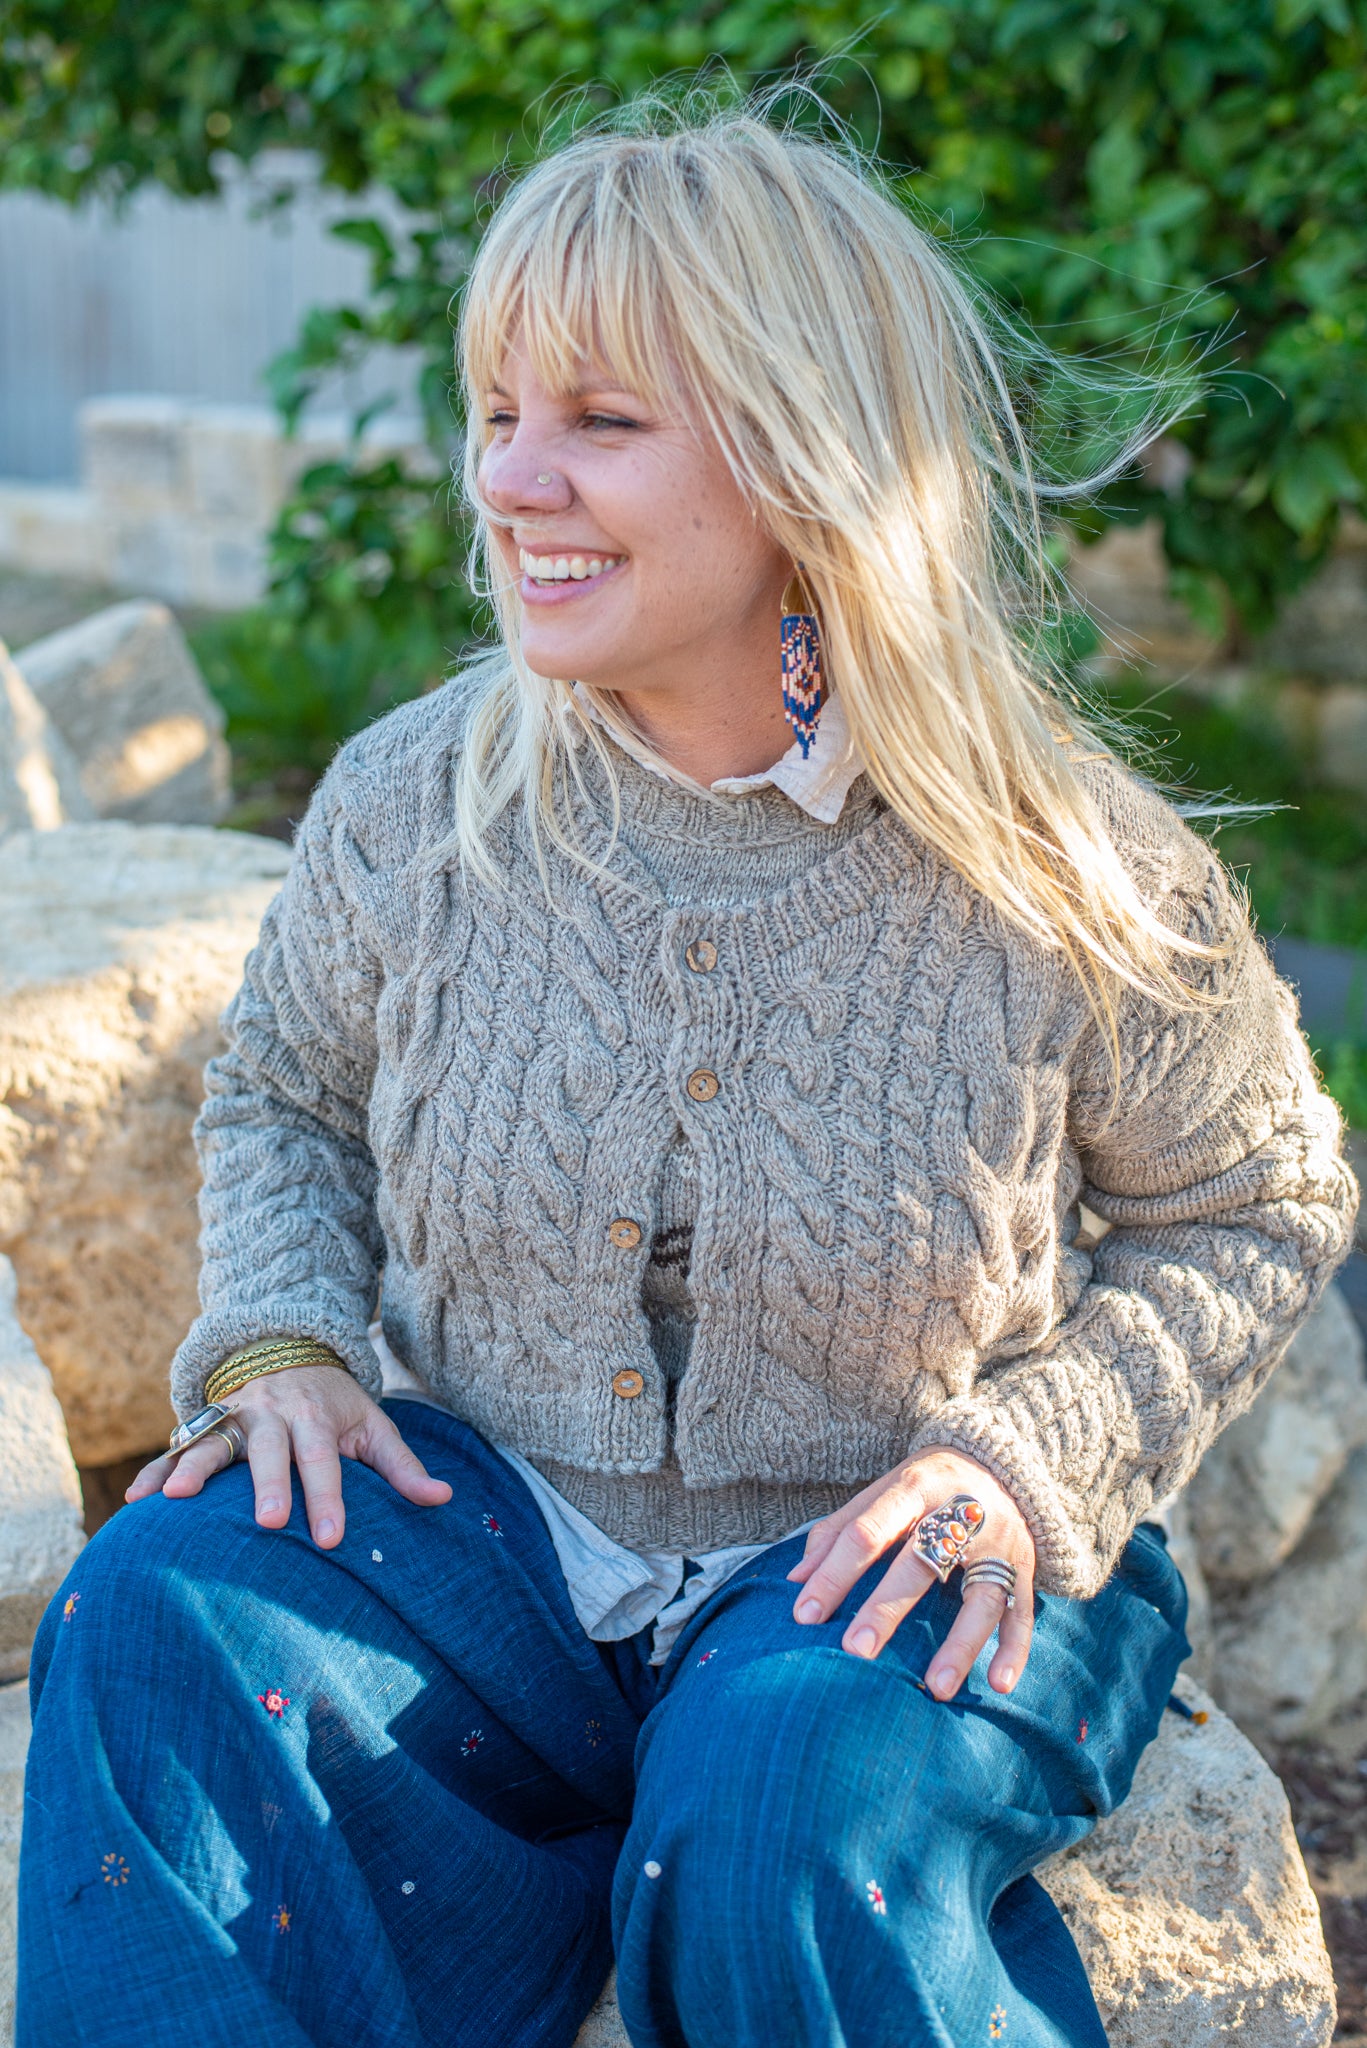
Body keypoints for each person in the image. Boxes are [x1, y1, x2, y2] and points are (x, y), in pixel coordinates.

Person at [18, 98, 1356, 2048]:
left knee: (779, 1811)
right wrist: (283, 1337)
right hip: (494, 1537)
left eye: (601, 420)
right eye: (497, 413)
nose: (511, 479)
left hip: (890, 1570)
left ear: (811, 452)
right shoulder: (412, 807)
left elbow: (1264, 1198)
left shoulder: (1067, 870)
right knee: (153, 1610)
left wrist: (1033, 1453)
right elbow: (284, 1092)